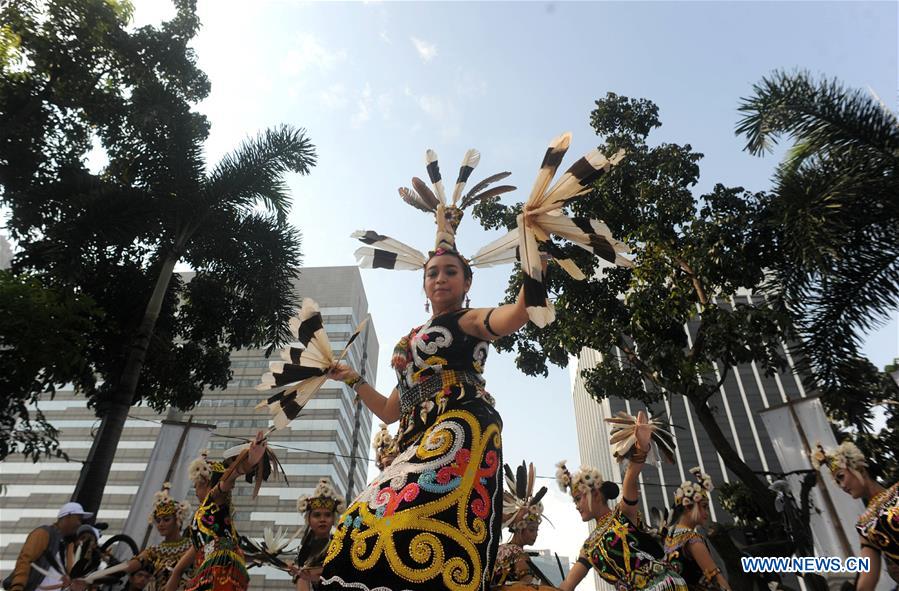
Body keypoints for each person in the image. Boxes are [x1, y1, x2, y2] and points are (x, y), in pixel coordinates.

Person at [319, 149, 532, 591]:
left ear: (467, 282)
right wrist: (353, 379)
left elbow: (516, 315)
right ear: (423, 282)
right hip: (414, 436)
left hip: (459, 426)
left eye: (451, 272)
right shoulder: (410, 339)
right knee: (355, 529)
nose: (440, 278)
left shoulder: (468, 321)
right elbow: (391, 411)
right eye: (433, 272)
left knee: (407, 521)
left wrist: (533, 255)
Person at [557, 412, 687, 591]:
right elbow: (567, 585)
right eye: (575, 501)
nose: (577, 505)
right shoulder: (588, 548)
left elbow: (630, 478)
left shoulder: (623, 513)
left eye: (578, 499)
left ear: (595, 494)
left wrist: (641, 447)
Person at [162, 432, 269, 591]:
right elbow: (185, 561)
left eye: (197, 485)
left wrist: (250, 460)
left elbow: (229, 478)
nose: (195, 490)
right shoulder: (206, 518)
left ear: (207, 484)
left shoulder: (214, 497)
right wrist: (178, 573)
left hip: (220, 567)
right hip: (214, 566)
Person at [812, 440, 898, 589]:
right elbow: (868, 575)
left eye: (841, 476)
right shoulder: (864, 525)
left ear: (858, 468)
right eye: (837, 483)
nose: (842, 486)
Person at [663, 469, 731, 590]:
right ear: (689, 507)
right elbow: (716, 578)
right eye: (704, 507)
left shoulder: (670, 536)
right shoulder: (693, 540)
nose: (707, 513)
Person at [5, 502, 91, 591]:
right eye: (78, 519)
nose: (80, 524)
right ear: (68, 516)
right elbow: (25, 560)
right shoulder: (43, 534)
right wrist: (18, 586)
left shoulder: (67, 543)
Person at [121, 483, 192, 591]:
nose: (161, 524)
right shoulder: (154, 550)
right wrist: (100, 574)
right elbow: (129, 566)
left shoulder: (191, 546)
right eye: (158, 521)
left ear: (178, 520)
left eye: (166, 519)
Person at [491, 461, 549, 586]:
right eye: (532, 530)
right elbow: (526, 584)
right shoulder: (518, 554)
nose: (536, 534)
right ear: (519, 529)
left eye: (537, 530)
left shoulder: (499, 549)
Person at [290, 479, 345, 591]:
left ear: (334, 519)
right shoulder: (303, 551)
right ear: (308, 519)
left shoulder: (340, 546)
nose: (322, 519)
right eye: (317, 515)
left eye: (327, 515)